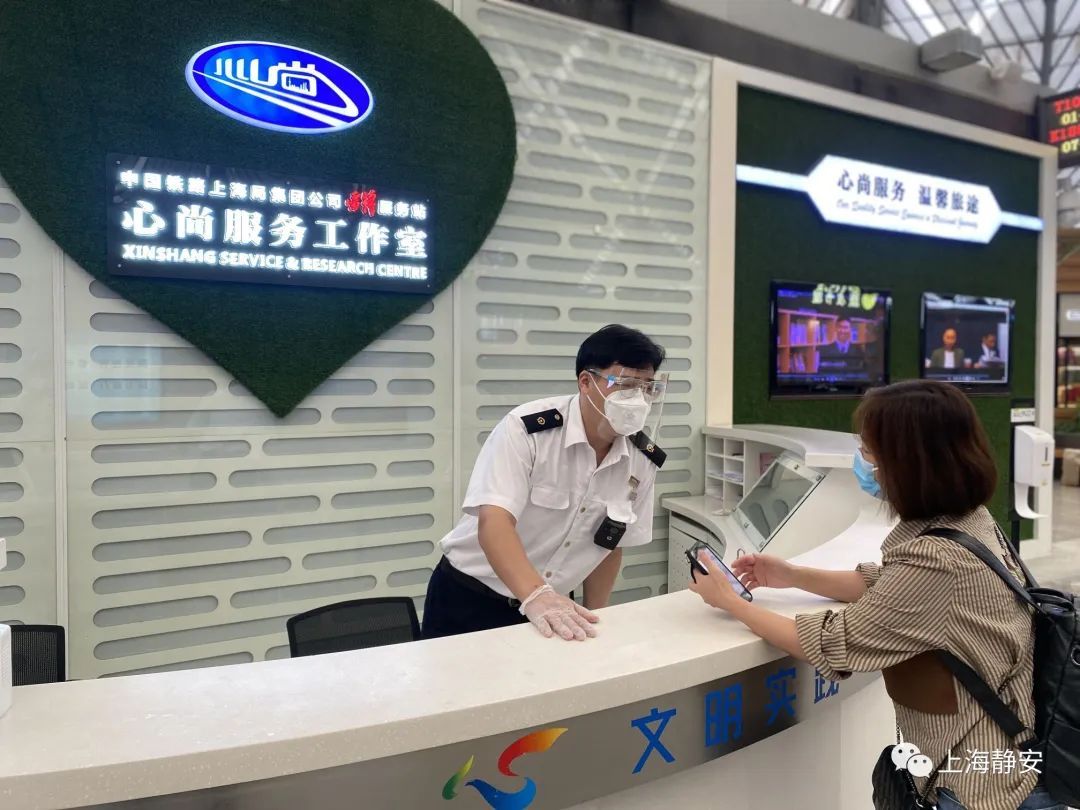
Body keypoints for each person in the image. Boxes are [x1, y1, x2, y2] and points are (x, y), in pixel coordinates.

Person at [687, 380, 1057, 810]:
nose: (863, 463)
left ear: (908, 462)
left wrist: (729, 601)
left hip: (980, 789)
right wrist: (791, 575)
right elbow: (888, 584)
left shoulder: (936, 560)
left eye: (868, 451)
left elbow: (833, 643)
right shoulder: (969, 519)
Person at [421, 325, 668, 642]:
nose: (637, 399)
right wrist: (536, 596)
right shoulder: (528, 430)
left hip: (555, 608)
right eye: (625, 385)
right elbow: (494, 522)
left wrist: (598, 616)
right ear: (585, 382)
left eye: (647, 388)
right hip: (470, 597)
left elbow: (609, 543)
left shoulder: (642, 458)